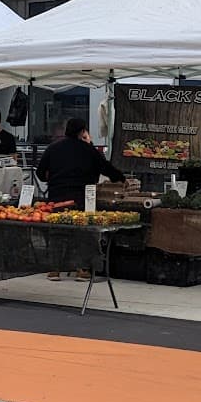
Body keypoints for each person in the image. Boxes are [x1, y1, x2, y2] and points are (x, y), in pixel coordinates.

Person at [37, 118, 126, 282]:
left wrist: (53, 177)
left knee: (57, 232)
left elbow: (40, 173)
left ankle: (54, 270)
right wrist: (121, 178)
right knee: (83, 233)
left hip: (57, 197)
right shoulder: (89, 150)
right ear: (82, 131)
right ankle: (82, 270)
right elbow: (107, 169)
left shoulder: (53, 148)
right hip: (81, 197)